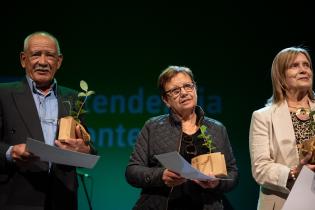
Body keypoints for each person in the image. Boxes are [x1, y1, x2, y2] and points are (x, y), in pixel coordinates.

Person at [0, 31, 96, 210]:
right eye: (36, 54)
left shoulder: (74, 97)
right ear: (23, 59)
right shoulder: (3, 94)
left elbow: (88, 145)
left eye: (50, 55)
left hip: (62, 199)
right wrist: (10, 152)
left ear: (59, 61)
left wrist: (85, 149)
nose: (43, 62)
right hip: (17, 196)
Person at [125, 66, 239, 210]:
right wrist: (161, 176)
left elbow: (233, 174)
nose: (184, 93)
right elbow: (132, 171)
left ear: (195, 88)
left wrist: (217, 183)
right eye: (175, 91)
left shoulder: (217, 128)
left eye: (187, 86)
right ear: (166, 100)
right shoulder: (152, 127)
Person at [249, 47, 315, 210]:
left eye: (306, 65)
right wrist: (294, 173)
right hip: (283, 201)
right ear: (281, 76)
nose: (303, 70)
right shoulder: (263, 116)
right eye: (294, 66)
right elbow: (260, 168)